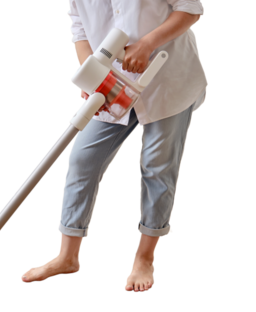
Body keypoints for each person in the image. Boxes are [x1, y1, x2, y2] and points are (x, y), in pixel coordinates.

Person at [21, 0, 208, 294]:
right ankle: (67, 256)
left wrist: (148, 43)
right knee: (83, 159)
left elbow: (190, 9)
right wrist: (89, 71)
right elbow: (79, 24)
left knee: (157, 167)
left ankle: (145, 257)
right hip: (111, 86)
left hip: (166, 80)